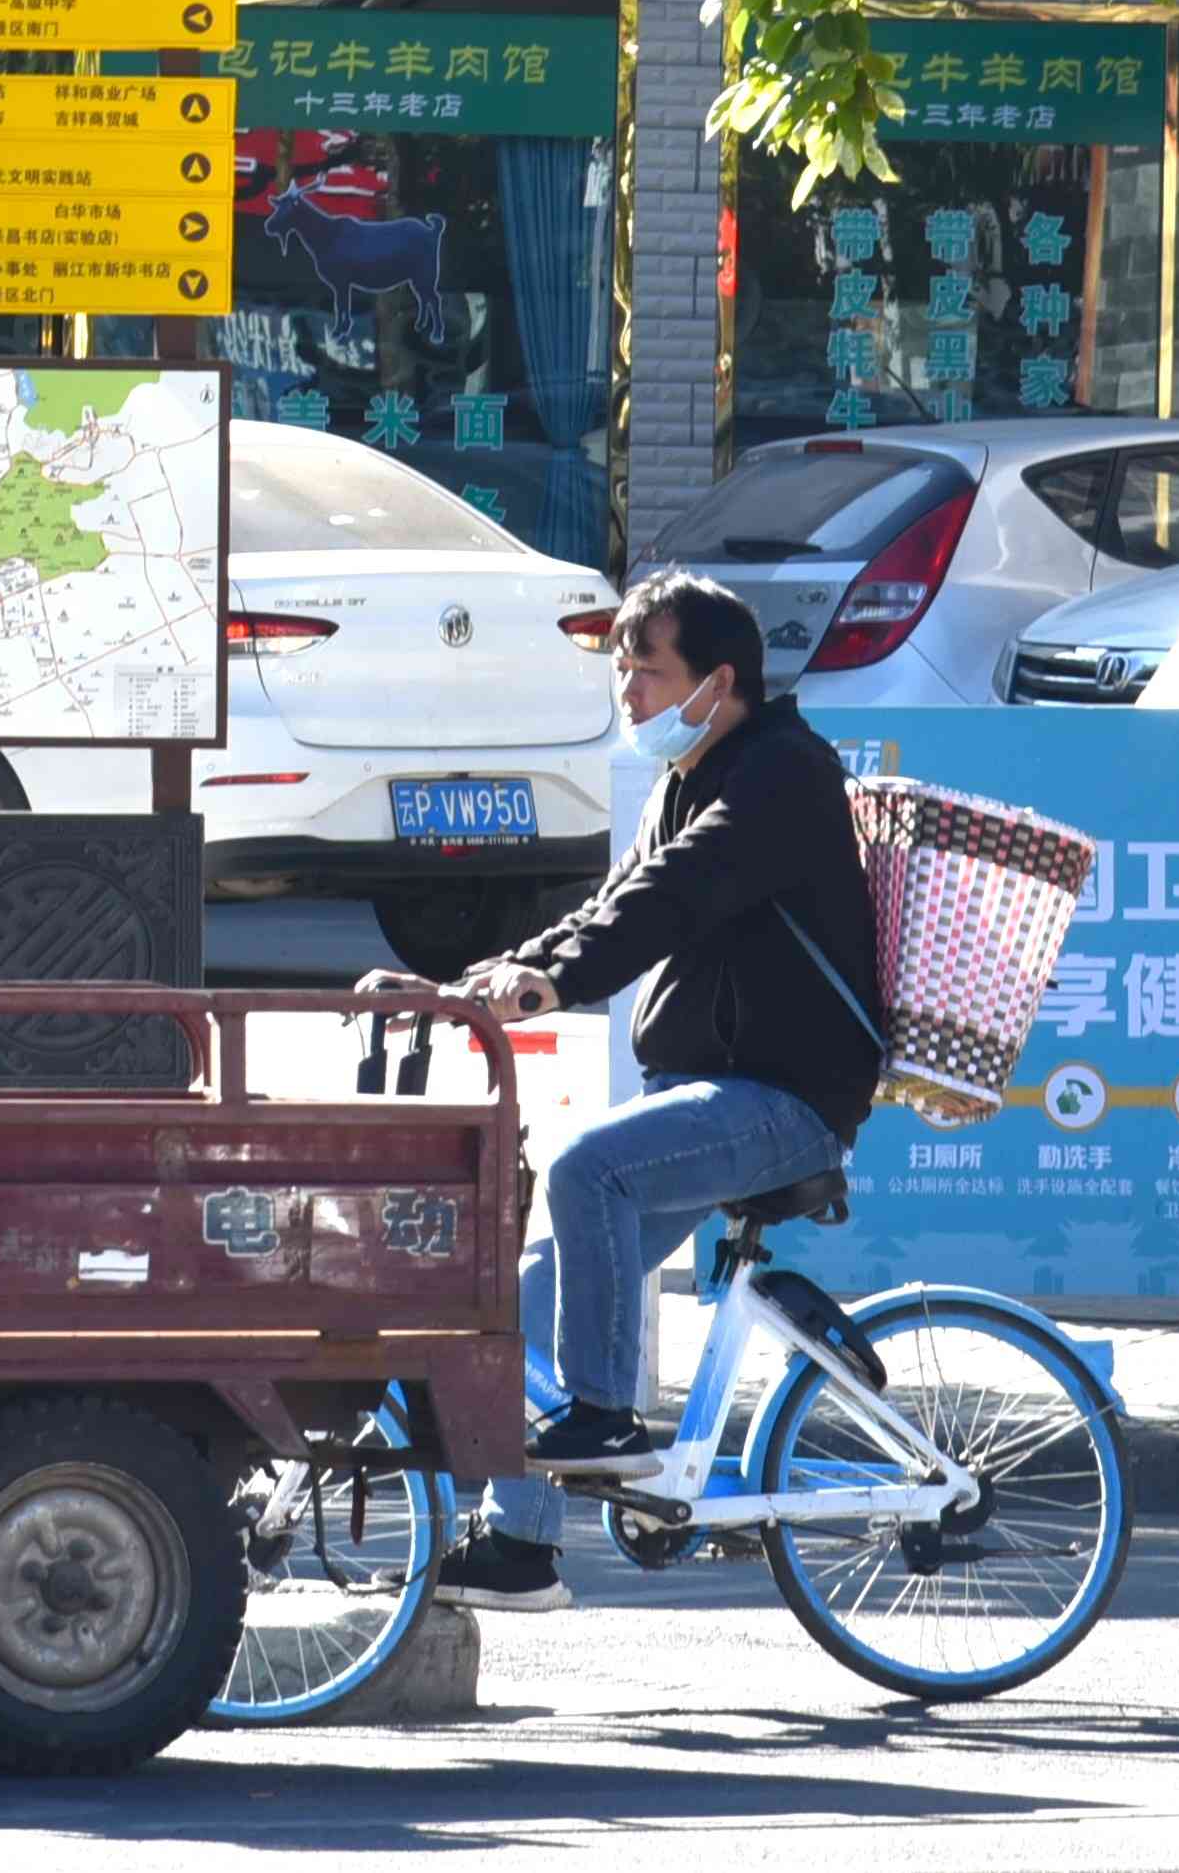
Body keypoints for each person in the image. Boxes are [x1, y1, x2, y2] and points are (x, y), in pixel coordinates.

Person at [362, 568, 887, 1615]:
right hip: (704, 1090)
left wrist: (554, 982)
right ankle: (521, 1547)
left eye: (645, 671)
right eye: (618, 670)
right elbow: (609, 905)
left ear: (716, 680)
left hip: (784, 1099)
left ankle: (603, 1417)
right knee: (517, 1298)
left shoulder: (779, 773)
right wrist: (480, 982)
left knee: (584, 1166)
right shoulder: (683, 775)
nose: (627, 694)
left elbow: (673, 895)